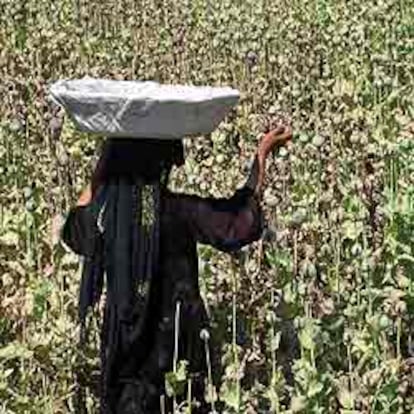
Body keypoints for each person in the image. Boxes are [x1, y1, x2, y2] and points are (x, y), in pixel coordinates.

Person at [62, 125, 292, 414]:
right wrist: (261, 154)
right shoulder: (178, 211)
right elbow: (239, 222)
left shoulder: (106, 220)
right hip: (180, 353)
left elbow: (73, 225)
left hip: (124, 356)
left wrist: (106, 160)